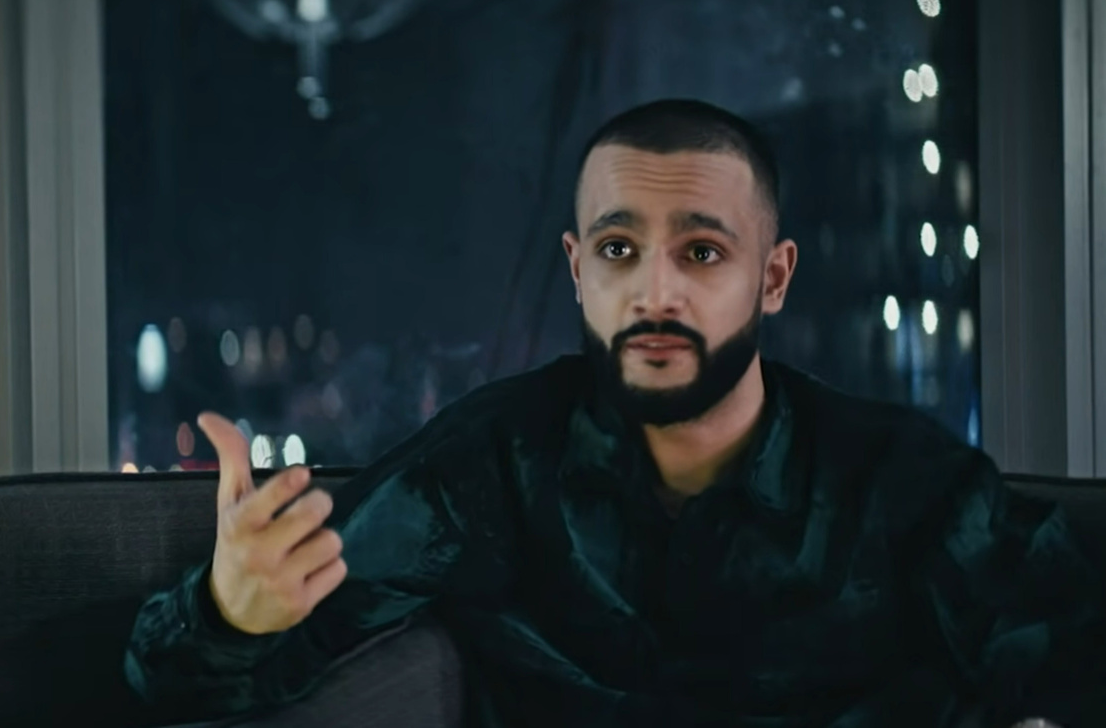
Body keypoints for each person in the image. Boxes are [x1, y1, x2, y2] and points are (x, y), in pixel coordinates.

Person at [124, 99, 1104, 727]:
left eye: (702, 252)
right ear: (577, 269)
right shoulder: (491, 464)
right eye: (619, 250)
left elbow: (1069, 648)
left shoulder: (899, 481)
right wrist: (228, 613)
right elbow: (182, 679)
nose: (654, 291)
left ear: (773, 277)